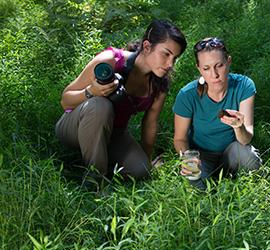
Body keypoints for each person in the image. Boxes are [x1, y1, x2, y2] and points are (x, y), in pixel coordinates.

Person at [55, 20, 187, 181]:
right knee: (100, 105)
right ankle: (95, 181)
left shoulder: (159, 83)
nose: (170, 64)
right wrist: (91, 92)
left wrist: (146, 160)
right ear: (147, 46)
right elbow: (65, 100)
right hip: (74, 127)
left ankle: (102, 160)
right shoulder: (111, 60)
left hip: (113, 133)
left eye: (175, 58)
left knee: (140, 170)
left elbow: (150, 123)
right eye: (166, 54)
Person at [172, 37, 261, 188]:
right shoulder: (187, 95)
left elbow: (246, 140)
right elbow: (180, 139)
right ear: (199, 69)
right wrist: (188, 159)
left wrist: (239, 127)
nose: (214, 74)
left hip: (231, 152)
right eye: (206, 68)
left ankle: (251, 193)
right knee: (193, 179)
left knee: (249, 157)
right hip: (201, 156)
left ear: (228, 61)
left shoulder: (244, 86)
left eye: (219, 65)